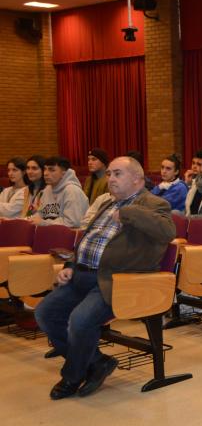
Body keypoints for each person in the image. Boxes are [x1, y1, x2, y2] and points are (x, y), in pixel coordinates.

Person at [34, 157, 176, 399]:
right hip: (82, 275)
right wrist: (71, 264)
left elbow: (167, 231)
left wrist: (128, 212)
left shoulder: (154, 203)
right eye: (109, 174)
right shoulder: (107, 204)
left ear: (137, 179)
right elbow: (87, 239)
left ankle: (72, 376)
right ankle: (96, 362)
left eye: (117, 174)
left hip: (114, 281)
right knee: (45, 313)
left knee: (79, 321)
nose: (110, 179)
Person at [31, 156, 89, 228]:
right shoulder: (46, 190)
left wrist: (44, 223)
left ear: (63, 173)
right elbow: (40, 215)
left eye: (51, 170)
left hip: (72, 237)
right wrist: (32, 219)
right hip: (51, 235)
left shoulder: (72, 191)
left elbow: (73, 223)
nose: (45, 173)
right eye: (45, 169)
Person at [20, 155, 46, 219]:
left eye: (34, 168)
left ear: (43, 170)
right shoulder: (27, 189)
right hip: (28, 224)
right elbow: (25, 214)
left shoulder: (48, 190)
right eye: (28, 168)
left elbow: (42, 216)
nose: (30, 172)